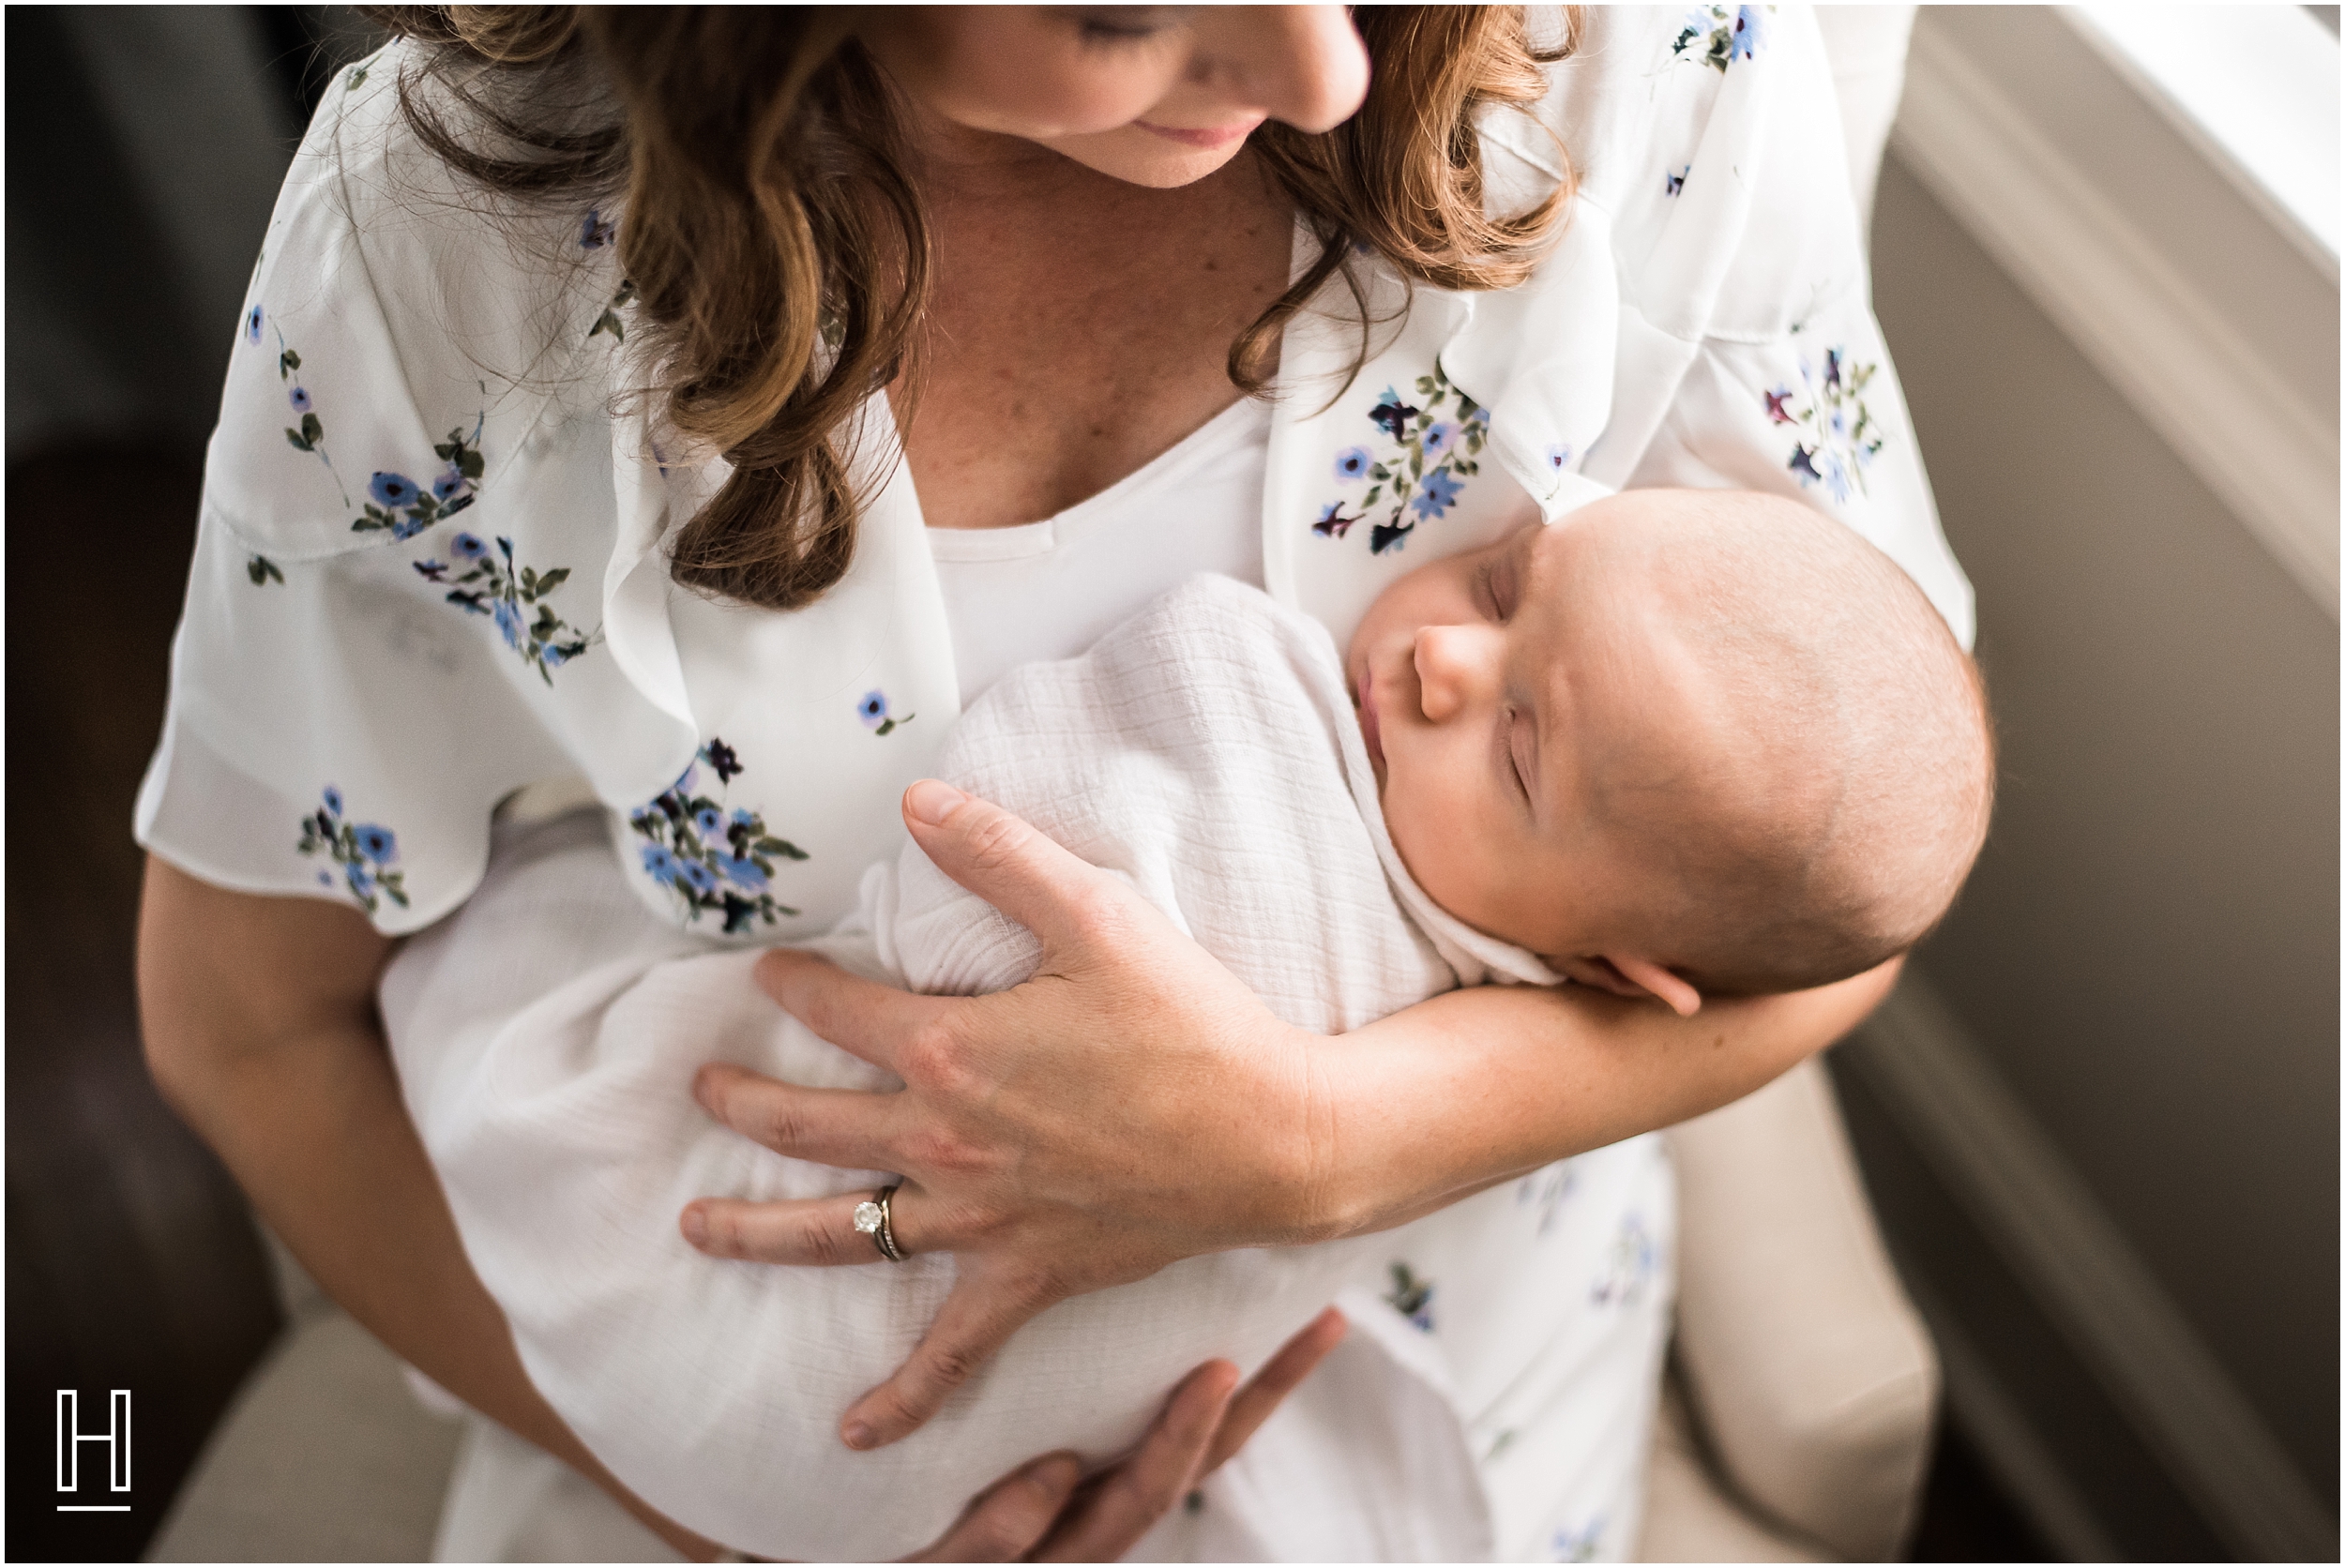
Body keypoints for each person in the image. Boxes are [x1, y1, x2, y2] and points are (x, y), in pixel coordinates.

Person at [134, 6, 1974, 1559]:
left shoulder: (1634, 54)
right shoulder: (441, 252)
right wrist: (745, 1505)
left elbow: (1820, 888)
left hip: (1456, 1392)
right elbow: (243, 1029)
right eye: (1119, 8)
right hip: (764, 1405)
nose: (1322, 72)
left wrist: (1320, 1149)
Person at [389, 488, 1989, 1561]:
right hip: (761, 1466)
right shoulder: (1659, 663)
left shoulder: (1265, 777)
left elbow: (968, 892)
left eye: (1517, 753)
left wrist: (1321, 1145)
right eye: (1507, 590)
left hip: (1144, 1454)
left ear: (1623, 974)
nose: (1441, 658)